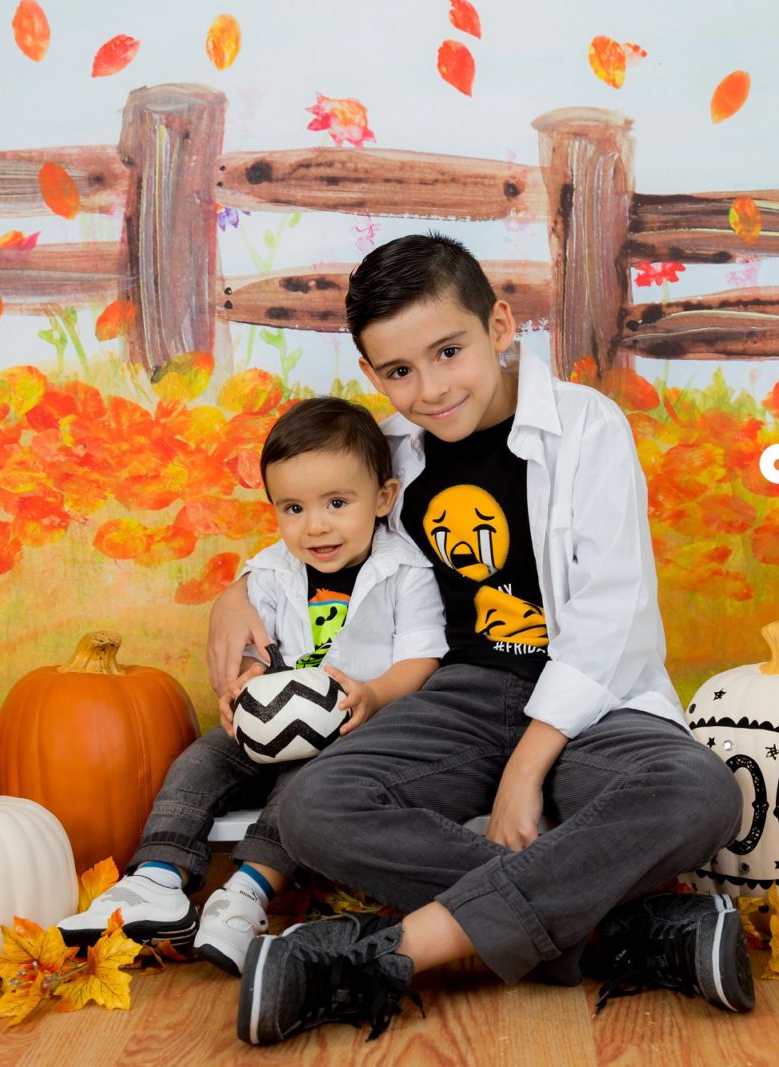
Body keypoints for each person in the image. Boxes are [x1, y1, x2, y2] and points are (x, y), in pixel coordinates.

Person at [207, 234, 751, 1046]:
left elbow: (613, 614)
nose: (429, 389)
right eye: (399, 371)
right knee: (315, 806)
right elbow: (322, 522)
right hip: (452, 697)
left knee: (700, 792)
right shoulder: (390, 448)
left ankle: (393, 951)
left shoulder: (586, 427)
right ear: (373, 375)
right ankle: (623, 931)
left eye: (448, 351)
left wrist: (528, 766)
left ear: (498, 326)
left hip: (590, 706)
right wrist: (236, 592)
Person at [59, 396, 446, 975]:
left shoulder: (405, 571)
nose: (315, 525)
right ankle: (159, 877)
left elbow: (422, 658)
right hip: (274, 718)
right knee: (201, 761)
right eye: (293, 508)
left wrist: (374, 695)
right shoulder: (270, 572)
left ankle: (247, 892)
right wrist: (242, 689)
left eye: (337, 503)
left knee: (302, 786)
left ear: (383, 498)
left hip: (352, 726)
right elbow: (250, 649)